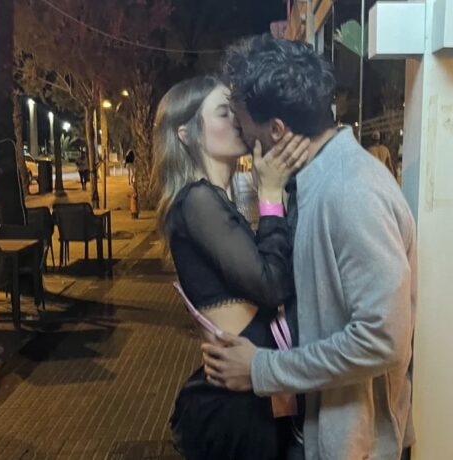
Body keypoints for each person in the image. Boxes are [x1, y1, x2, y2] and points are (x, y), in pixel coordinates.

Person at [202, 35, 417, 460]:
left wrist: (261, 369)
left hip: (354, 447)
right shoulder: (317, 182)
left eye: (243, 126)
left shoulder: (351, 191)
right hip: (322, 434)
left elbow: (383, 338)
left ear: (276, 130)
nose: (242, 137)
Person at [153, 75, 310, 460]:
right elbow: (271, 285)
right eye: (224, 112)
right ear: (186, 134)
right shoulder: (197, 201)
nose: (237, 119)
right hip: (237, 410)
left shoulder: (212, 201)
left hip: (249, 393)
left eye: (235, 110)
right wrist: (270, 196)